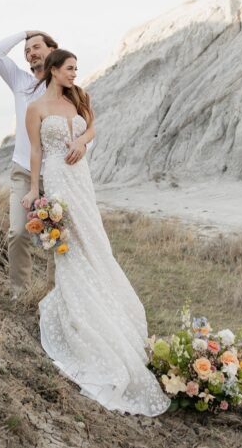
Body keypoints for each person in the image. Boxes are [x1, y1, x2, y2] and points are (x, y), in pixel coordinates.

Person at [22, 49, 169, 417]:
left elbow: (91, 127)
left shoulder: (79, 98)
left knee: (95, 242)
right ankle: (80, 308)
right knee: (69, 245)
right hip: (56, 178)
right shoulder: (36, 109)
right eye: (69, 69)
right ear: (53, 70)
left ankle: (107, 302)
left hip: (81, 179)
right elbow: (36, 152)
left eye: (76, 69)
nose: (75, 74)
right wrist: (34, 190)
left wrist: (81, 142)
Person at [0, 30, 91, 300]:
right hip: (24, 170)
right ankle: (19, 293)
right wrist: (26, 33)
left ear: (52, 51)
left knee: (59, 236)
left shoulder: (68, 91)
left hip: (59, 173)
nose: (31, 53)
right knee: (18, 231)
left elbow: (83, 127)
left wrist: (82, 144)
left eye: (36, 47)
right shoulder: (20, 82)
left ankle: (52, 294)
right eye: (27, 51)